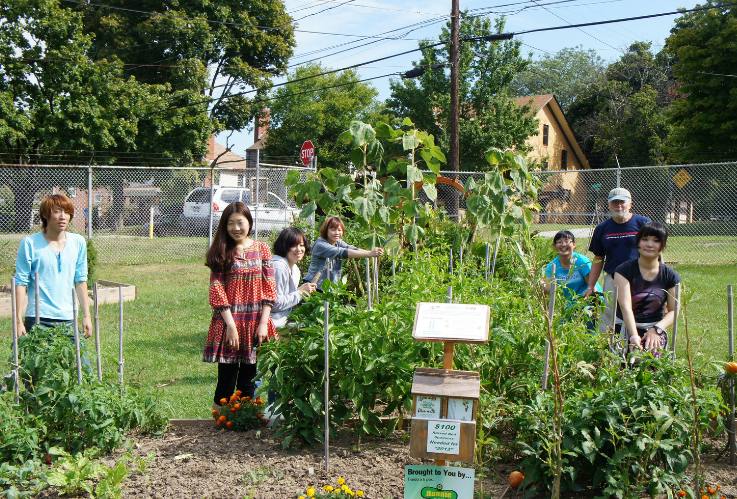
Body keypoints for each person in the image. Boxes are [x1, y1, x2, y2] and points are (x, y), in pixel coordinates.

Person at [203, 202, 276, 406]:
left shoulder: (262, 249)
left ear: (249, 223)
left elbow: (269, 288)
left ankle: (245, 420)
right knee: (226, 379)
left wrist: (263, 323)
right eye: (230, 224)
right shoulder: (221, 250)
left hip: (255, 323)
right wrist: (231, 326)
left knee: (249, 379)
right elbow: (216, 290)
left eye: (240, 222)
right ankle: (223, 420)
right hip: (229, 324)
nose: (236, 228)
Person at [14, 194, 91, 337]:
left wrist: (86, 315)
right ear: (45, 215)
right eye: (57, 211)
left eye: (67, 212)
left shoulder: (78, 242)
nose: (63, 216)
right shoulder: (29, 243)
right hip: (38, 317)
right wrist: (18, 321)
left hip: (68, 317)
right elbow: (20, 283)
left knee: (79, 359)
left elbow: (80, 280)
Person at [585, 188, 651, 332]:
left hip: (640, 277)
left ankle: (640, 344)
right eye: (614, 202)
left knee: (641, 312)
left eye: (622, 202)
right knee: (609, 314)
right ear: (609, 205)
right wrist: (591, 285)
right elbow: (598, 258)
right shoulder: (602, 229)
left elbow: (655, 252)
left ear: (630, 204)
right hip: (613, 278)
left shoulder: (643, 223)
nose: (618, 206)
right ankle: (608, 348)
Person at [614, 222, 680, 353]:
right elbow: (625, 306)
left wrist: (657, 329)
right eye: (645, 239)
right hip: (625, 327)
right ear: (638, 243)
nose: (649, 244)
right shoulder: (623, 271)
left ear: (663, 245)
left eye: (656, 241)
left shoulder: (671, 276)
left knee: (654, 368)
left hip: (655, 328)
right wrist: (633, 336)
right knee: (624, 369)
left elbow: (674, 310)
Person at [303, 216, 384, 290]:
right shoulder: (320, 244)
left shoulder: (337, 242)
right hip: (314, 285)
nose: (337, 233)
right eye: (333, 229)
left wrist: (372, 252)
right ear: (326, 230)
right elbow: (342, 252)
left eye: (339, 230)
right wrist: (370, 254)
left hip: (327, 286)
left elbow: (352, 248)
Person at [271, 227, 316, 329]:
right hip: (270, 325)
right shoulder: (278, 267)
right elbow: (274, 304)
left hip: (282, 323)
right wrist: (300, 292)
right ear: (284, 246)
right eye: (294, 245)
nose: (299, 249)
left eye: (301, 245)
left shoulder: (295, 269)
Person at [544, 230, 602, 307]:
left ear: (574, 245)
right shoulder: (551, 266)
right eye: (559, 242)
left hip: (587, 300)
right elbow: (550, 291)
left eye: (567, 241)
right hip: (568, 304)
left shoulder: (581, 261)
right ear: (554, 246)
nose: (563, 244)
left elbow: (592, 287)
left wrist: (595, 308)